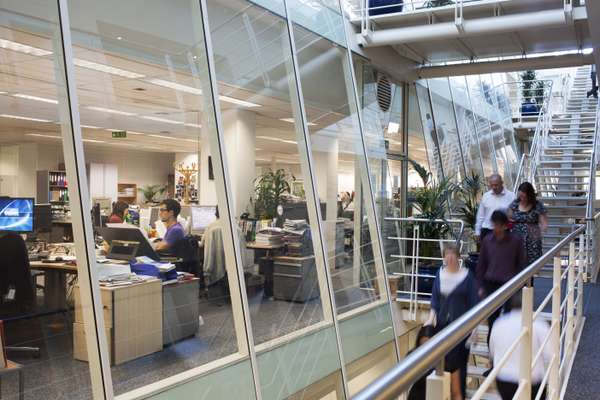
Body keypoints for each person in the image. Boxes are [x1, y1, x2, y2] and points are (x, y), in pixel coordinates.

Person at [426, 244, 479, 400]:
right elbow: (435, 300)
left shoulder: (467, 277)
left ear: (458, 257)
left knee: (460, 366)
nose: (449, 259)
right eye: (446, 256)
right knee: (444, 363)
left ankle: (460, 395)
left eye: (452, 255)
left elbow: (474, 303)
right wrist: (430, 319)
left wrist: (474, 330)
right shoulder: (440, 274)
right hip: (443, 327)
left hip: (462, 329)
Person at [476, 210, 527, 342]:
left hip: (510, 285)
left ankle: (507, 349)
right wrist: (480, 286)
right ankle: (492, 357)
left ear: (505, 225)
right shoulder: (487, 241)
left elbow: (521, 264)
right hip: (491, 284)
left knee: (509, 321)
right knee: (492, 321)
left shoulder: (515, 241)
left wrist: (520, 285)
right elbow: (481, 264)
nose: (496, 228)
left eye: (499, 225)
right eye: (494, 225)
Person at [489, 292, 550, 400]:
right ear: (530, 304)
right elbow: (549, 354)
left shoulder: (499, 323)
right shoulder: (538, 323)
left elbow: (492, 351)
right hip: (532, 380)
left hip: (503, 379)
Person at [508, 182, 548, 265]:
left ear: (529, 195)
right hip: (517, 238)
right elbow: (508, 216)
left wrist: (538, 232)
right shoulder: (515, 203)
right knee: (517, 263)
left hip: (532, 238)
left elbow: (544, 223)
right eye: (520, 196)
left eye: (524, 196)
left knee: (531, 265)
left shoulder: (537, 205)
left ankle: (530, 278)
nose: (521, 198)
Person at [475, 174, 515, 242]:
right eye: (491, 185)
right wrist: (477, 232)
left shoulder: (511, 196)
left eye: (496, 185)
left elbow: (514, 216)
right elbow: (480, 215)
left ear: (502, 183)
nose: (494, 187)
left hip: (504, 231)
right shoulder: (486, 196)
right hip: (487, 230)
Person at [407, 325, 436, 400]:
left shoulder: (442, 360)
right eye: (422, 346)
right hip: (416, 396)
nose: (425, 350)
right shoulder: (411, 357)